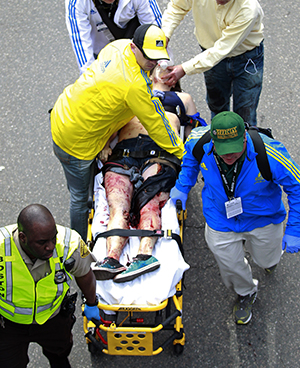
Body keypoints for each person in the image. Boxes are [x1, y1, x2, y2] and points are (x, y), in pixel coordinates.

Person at [50, 24, 183, 240]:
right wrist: (181, 154)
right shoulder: (134, 85)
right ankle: (77, 249)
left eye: (157, 58)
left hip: (65, 111)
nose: (153, 63)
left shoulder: (118, 47)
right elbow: (157, 124)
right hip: (75, 142)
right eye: (148, 57)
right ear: (134, 47)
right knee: (81, 198)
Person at [170, 111, 300, 325]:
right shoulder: (198, 140)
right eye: (222, 150)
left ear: (245, 137)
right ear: (213, 140)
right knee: (229, 264)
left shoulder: (270, 153)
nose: (228, 155)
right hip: (220, 218)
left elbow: (296, 187)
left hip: (262, 219)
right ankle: (245, 292)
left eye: (233, 148)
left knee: (267, 259)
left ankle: (267, 261)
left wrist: (295, 229)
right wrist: (182, 186)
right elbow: (190, 160)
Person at [94, 63, 205, 283]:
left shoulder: (183, 99)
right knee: (118, 206)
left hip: (160, 154)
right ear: (150, 71)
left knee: (150, 203)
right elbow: (114, 122)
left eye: (170, 67)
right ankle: (111, 259)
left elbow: (194, 132)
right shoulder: (135, 89)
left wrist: (188, 159)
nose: (164, 69)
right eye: (160, 66)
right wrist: (105, 144)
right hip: (124, 152)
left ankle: (144, 255)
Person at [161, 0, 264, 126]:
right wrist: (165, 34)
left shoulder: (248, 9)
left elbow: (222, 49)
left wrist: (184, 69)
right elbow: (177, 7)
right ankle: (219, 147)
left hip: (246, 59)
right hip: (210, 56)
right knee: (217, 107)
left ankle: (248, 150)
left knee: (246, 116)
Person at [0, 204, 100, 368]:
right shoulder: (2, 247)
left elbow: (85, 276)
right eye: (42, 242)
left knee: (59, 355)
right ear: (23, 238)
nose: (51, 246)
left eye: (53, 238)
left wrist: (91, 303)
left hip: (53, 319)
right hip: (10, 324)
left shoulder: (70, 244)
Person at [66, 0, 162, 74]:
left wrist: (161, 69)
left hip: (134, 41)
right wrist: (90, 79)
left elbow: (155, 28)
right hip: (102, 49)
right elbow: (80, 40)